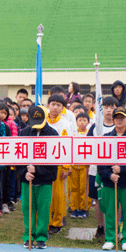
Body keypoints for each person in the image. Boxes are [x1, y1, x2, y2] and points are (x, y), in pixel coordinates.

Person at [98, 107, 126, 252]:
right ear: (113, 119)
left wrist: (121, 169)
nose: (119, 120)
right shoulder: (106, 138)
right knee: (111, 211)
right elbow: (101, 163)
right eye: (117, 117)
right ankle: (110, 238)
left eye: (122, 118)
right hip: (110, 182)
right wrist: (109, 175)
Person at [17, 106, 58, 249]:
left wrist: (38, 170)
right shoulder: (24, 133)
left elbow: (54, 164)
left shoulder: (53, 134)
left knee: (43, 209)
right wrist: (24, 173)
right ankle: (28, 236)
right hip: (26, 180)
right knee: (28, 208)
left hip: (45, 181)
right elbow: (17, 158)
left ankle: (41, 237)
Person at [87, 97, 118, 239]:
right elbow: (87, 146)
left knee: (116, 198)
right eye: (106, 107)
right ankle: (100, 227)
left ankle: (115, 228)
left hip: (115, 169)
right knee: (98, 198)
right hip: (96, 169)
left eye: (112, 107)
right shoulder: (95, 127)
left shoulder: (120, 127)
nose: (109, 110)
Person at [46, 94, 74, 235]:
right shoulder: (42, 122)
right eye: (53, 104)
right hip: (44, 164)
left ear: (63, 108)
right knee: (45, 194)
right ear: (48, 105)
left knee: (58, 195)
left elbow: (68, 146)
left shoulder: (66, 124)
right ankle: (45, 220)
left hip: (58, 165)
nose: (55, 107)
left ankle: (57, 222)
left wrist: (66, 166)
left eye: (59, 105)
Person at [69, 112, 90, 219]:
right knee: (74, 187)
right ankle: (74, 208)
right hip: (74, 165)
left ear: (88, 122)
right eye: (80, 120)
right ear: (76, 122)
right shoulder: (73, 133)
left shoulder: (89, 134)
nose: (82, 122)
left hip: (84, 166)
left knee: (84, 187)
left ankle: (83, 208)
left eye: (84, 120)